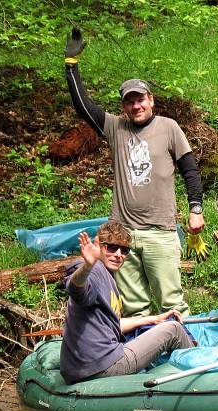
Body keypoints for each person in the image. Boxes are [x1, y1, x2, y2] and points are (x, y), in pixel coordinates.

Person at [63, 28, 204, 317]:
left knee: (172, 303)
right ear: (124, 105)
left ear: (151, 99)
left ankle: (181, 356)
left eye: (140, 99)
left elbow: (190, 169)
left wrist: (196, 208)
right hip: (123, 236)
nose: (136, 105)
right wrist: (71, 66)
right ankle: (140, 357)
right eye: (129, 101)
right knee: (132, 307)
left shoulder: (168, 127)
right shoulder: (116, 127)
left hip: (160, 232)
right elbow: (84, 107)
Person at [60, 220, 195, 384]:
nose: (118, 254)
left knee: (162, 326)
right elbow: (76, 290)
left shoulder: (108, 276)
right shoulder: (93, 271)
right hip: (105, 366)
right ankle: (203, 375)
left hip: (82, 368)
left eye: (124, 250)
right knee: (173, 329)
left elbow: (113, 324)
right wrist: (88, 266)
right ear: (99, 246)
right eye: (111, 247)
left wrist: (153, 319)